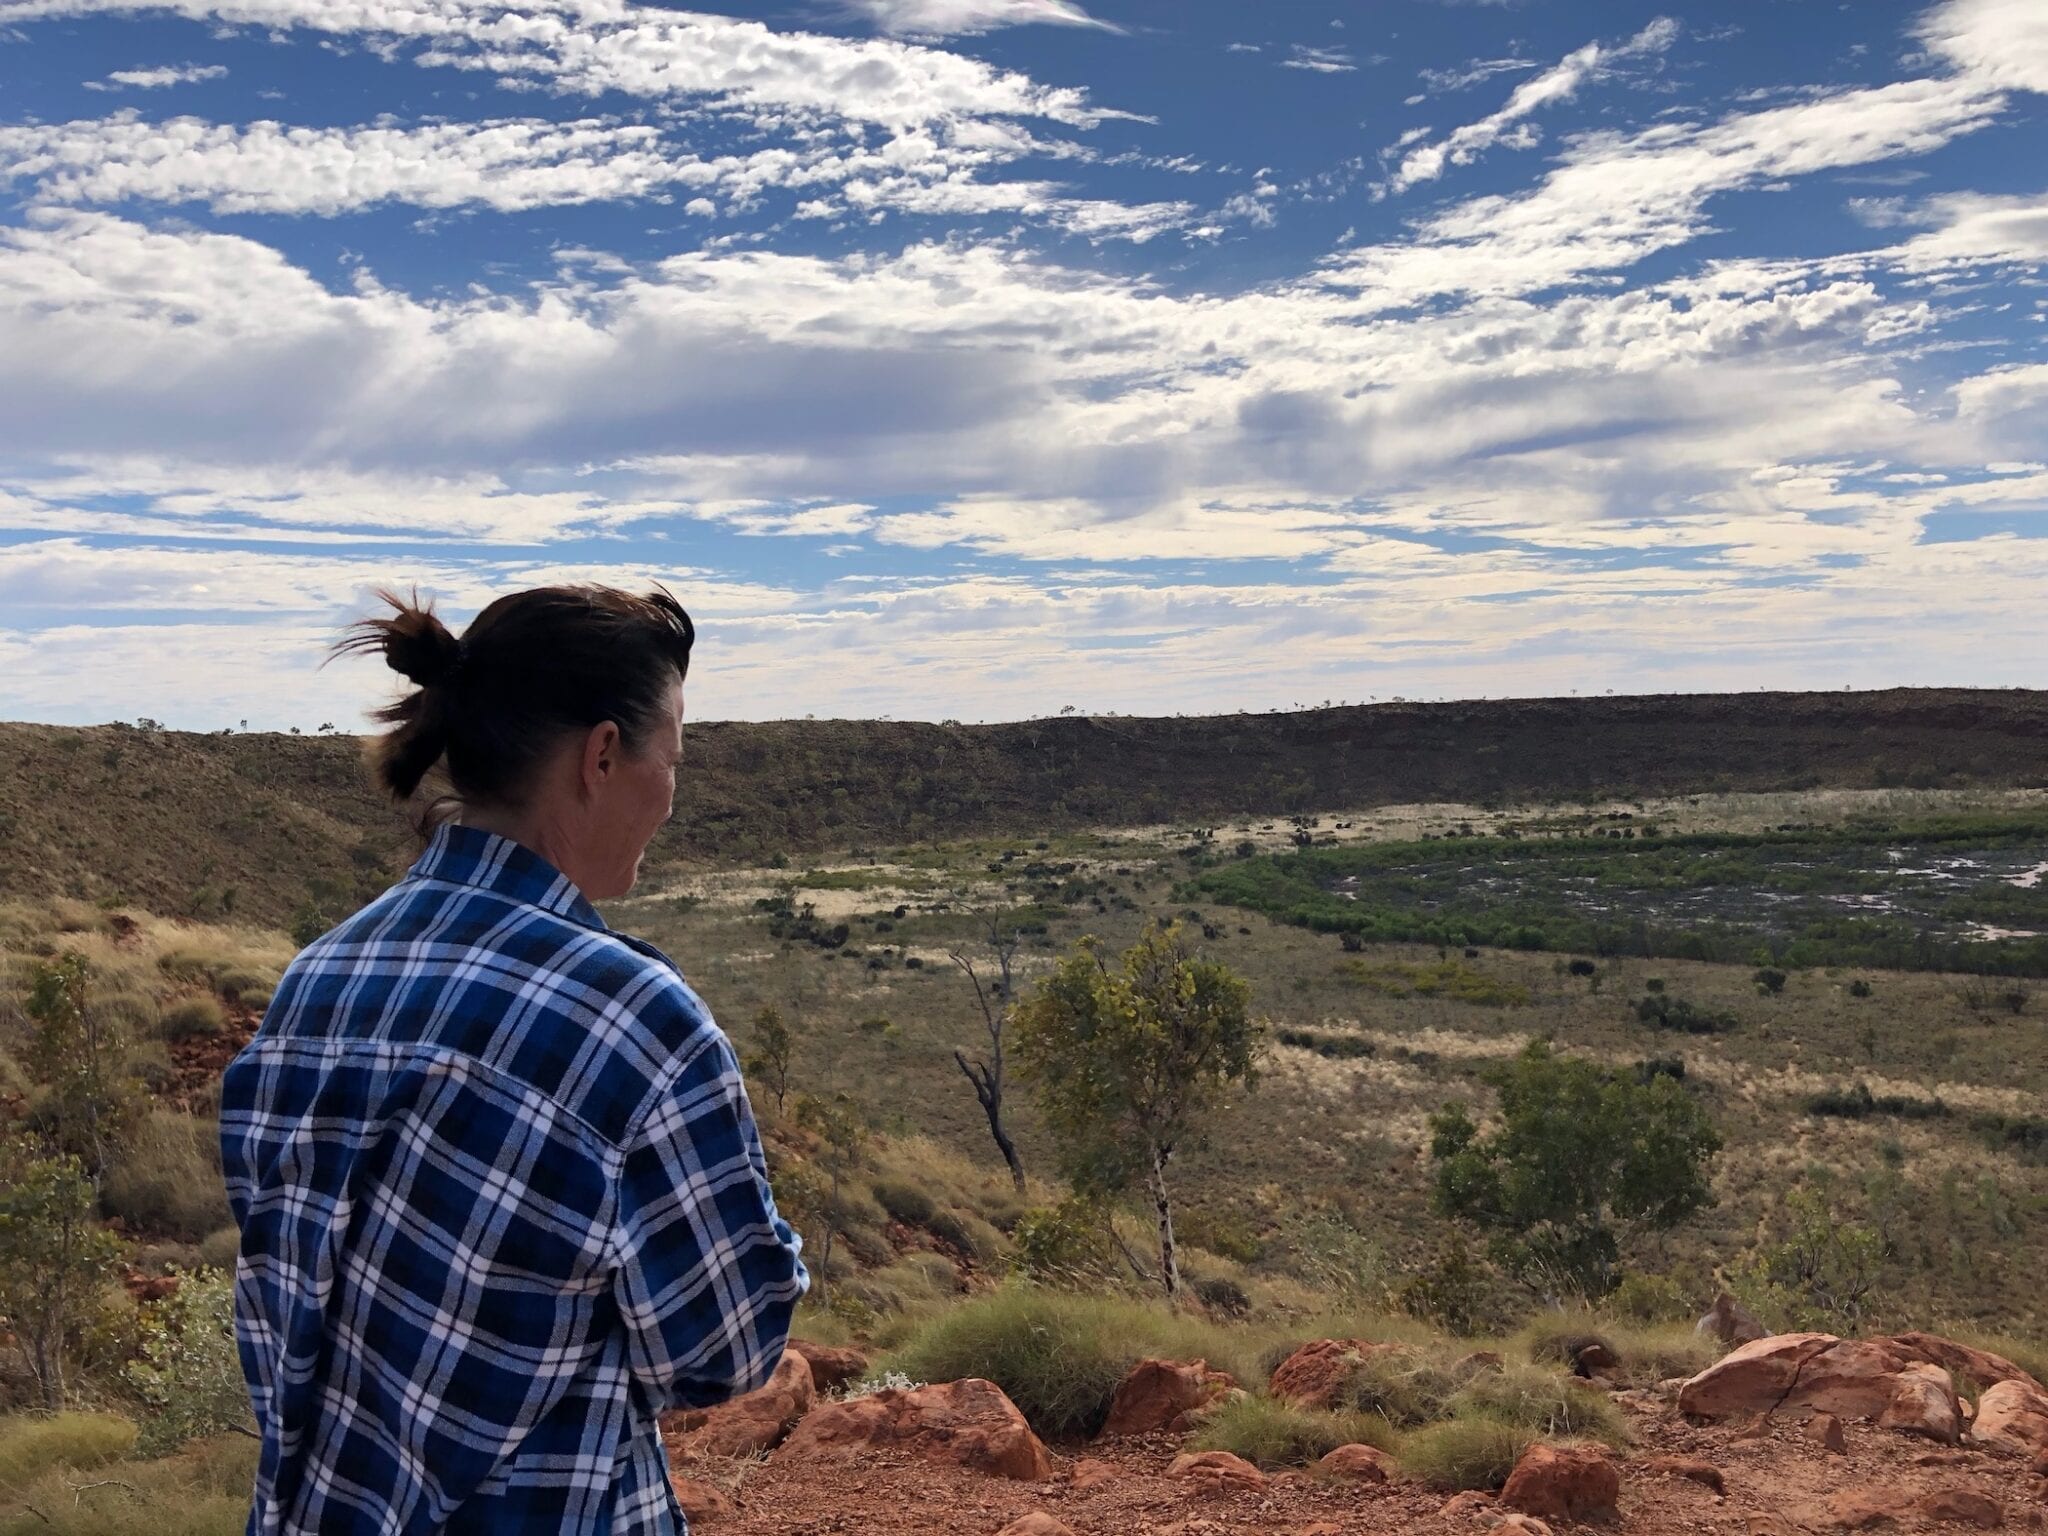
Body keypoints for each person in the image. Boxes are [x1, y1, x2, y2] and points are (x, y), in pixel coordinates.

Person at [219, 584, 807, 1535]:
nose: (672, 791)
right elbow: (723, 1353)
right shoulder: (635, 1022)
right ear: (604, 755)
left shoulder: (316, 978)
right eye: (674, 756)